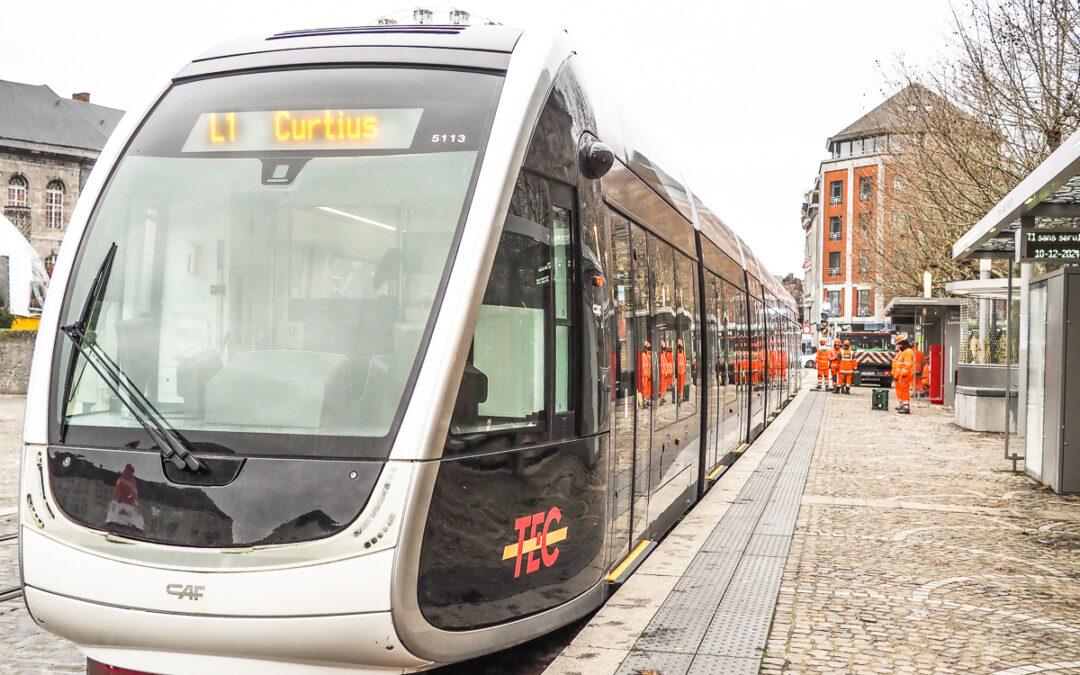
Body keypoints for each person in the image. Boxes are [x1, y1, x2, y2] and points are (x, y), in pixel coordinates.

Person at [892, 336, 916, 414]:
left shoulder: (908, 352)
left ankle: (906, 407)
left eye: (899, 344)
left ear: (903, 343)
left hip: (905, 375)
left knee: (904, 389)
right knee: (902, 389)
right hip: (902, 375)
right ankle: (903, 405)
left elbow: (907, 365)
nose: (898, 346)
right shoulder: (904, 351)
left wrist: (903, 374)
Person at [636, 340, 652, 408]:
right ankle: (644, 401)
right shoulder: (641, 355)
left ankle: (647, 400)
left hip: (647, 373)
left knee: (648, 388)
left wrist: (649, 346)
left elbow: (650, 353)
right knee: (644, 388)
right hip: (644, 374)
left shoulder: (647, 354)